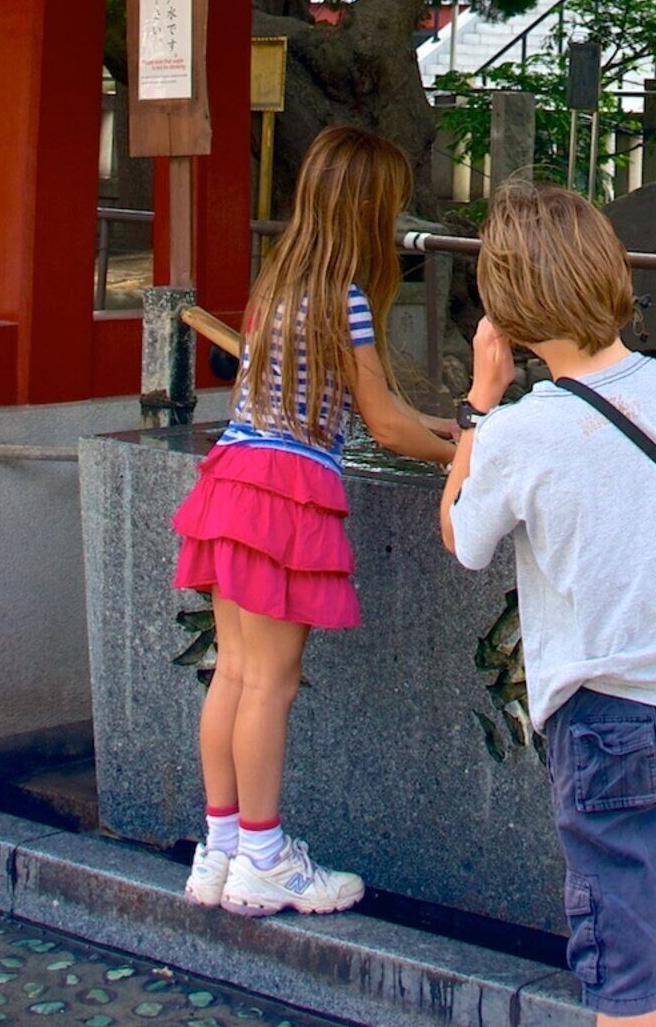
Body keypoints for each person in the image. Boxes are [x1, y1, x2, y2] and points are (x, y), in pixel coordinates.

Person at [441, 183, 656, 1027]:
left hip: (607, 725)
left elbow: (459, 536)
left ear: (512, 317)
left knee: (627, 976)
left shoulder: (520, 432)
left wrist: (478, 405)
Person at [172, 126, 458, 917]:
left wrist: (446, 429)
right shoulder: (348, 299)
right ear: (367, 209)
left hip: (232, 476)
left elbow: (384, 413)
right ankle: (265, 859)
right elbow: (386, 425)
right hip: (284, 491)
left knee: (232, 672)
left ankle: (221, 852)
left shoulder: (280, 284)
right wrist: (463, 454)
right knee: (271, 680)